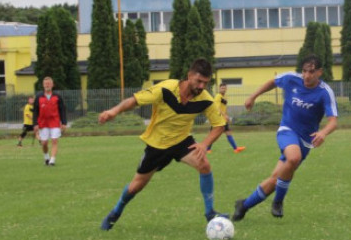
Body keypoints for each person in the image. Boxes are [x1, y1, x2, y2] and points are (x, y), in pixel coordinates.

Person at [99, 58, 228, 231]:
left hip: (182, 141)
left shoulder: (205, 99)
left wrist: (204, 144)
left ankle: (210, 213)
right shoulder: (165, 88)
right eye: (199, 81)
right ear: (189, 76)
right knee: (137, 185)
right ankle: (115, 212)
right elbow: (135, 100)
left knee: (204, 165)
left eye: (205, 83)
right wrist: (113, 110)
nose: (201, 87)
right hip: (157, 144)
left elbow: (219, 125)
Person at [233, 55, 338, 221]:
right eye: (304, 71)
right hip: (287, 130)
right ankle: (278, 202)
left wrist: (323, 133)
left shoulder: (325, 92)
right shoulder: (291, 78)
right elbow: (272, 82)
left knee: (276, 179)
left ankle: (244, 205)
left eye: (311, 72)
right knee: (293, 157)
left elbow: (333, 121)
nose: (307, 75)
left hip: (305, 140)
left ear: (319, 72)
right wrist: (253, 96)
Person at [33, 77, 67, 166]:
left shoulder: (57, 96)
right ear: (43, 85)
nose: (47, 85)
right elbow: (35, 111)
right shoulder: (39, 97)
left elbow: (62, 109)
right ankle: (46, 157)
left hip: (55, 122)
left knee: (54, 140)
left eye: (49, 83)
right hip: (43, 123)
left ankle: (52, 160)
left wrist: (64, 123)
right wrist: (35, 124)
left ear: (52, 85)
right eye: (45, 84)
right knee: (44, 143)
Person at [207, 83, 245, 154]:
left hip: (223, 119)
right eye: (222, 88)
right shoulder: (218, 96)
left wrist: (227, 116)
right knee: (213, 135)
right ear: (219, 88)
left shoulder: (225, 96)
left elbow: (224, 107)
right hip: (217, 119)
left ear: (226, 89)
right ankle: (206, 149)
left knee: (228, 133)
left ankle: (236, 148)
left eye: (224, 88)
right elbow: (217, 108)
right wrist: (225, 116)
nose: (223, 89)